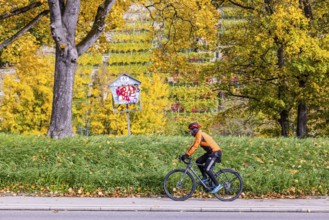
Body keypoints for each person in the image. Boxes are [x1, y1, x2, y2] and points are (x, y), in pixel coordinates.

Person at [180, 122, 222, 193]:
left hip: (215, 153)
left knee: (207, 169)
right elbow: (193, 145)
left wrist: (186, 155)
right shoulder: (198, 135)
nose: (190, 132)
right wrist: (186, 154)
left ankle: (218, 185)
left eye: (191, 130)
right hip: (210, 153)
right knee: (198, 161)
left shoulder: (200, 134)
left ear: (195, 130)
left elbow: (195, 146)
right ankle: (205, 177)